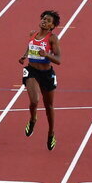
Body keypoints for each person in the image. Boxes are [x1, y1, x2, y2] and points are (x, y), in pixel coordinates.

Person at [19, 10, 62, 150]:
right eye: (44, 18)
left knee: (49, 106)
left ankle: (51, 133)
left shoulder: (52, 38)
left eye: (48, 21)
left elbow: (58, 60)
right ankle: (33, 119)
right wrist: (24, 56)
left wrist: (46, 55)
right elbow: (30, 46)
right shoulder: (33, 34)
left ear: (52, 26)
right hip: (32, 71)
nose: (44, 21)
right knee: (34, 101)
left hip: (47, 74)